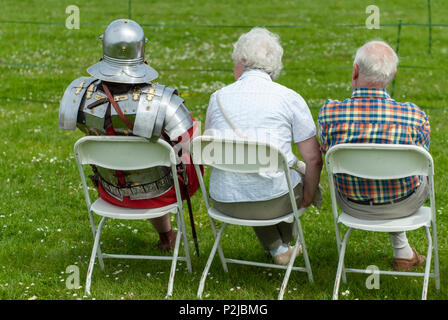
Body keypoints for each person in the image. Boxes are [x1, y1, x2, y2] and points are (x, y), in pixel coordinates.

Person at [59, 19, 201, 252]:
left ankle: (166, 235)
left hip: (109, 189)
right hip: (159, 192)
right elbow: (191, 146)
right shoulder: (164, 101)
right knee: (183, 158)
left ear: (104, 48)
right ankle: (168, 236)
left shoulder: (79, 95)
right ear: (142, 50)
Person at [204, 27, 323, 265]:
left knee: (252, 174)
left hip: (224, 201)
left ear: (242, 61)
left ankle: (278, 248)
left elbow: (209, 148)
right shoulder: (289, 97)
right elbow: (314, 159)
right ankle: (283, 245)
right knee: (284, 178)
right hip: (273, 202)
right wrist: (309, 197)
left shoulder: (217, 97)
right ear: (274, 65)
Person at [318, 40, 430, 271]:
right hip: (405, 203)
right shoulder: (415, 116)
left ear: (355, 70)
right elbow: (423, 165)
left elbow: (325, 152)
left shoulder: (330, 113)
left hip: (351, 203)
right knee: (405, 175)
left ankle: (404, 252)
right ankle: (403, 252)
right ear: (392, 75)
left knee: (380, 174)